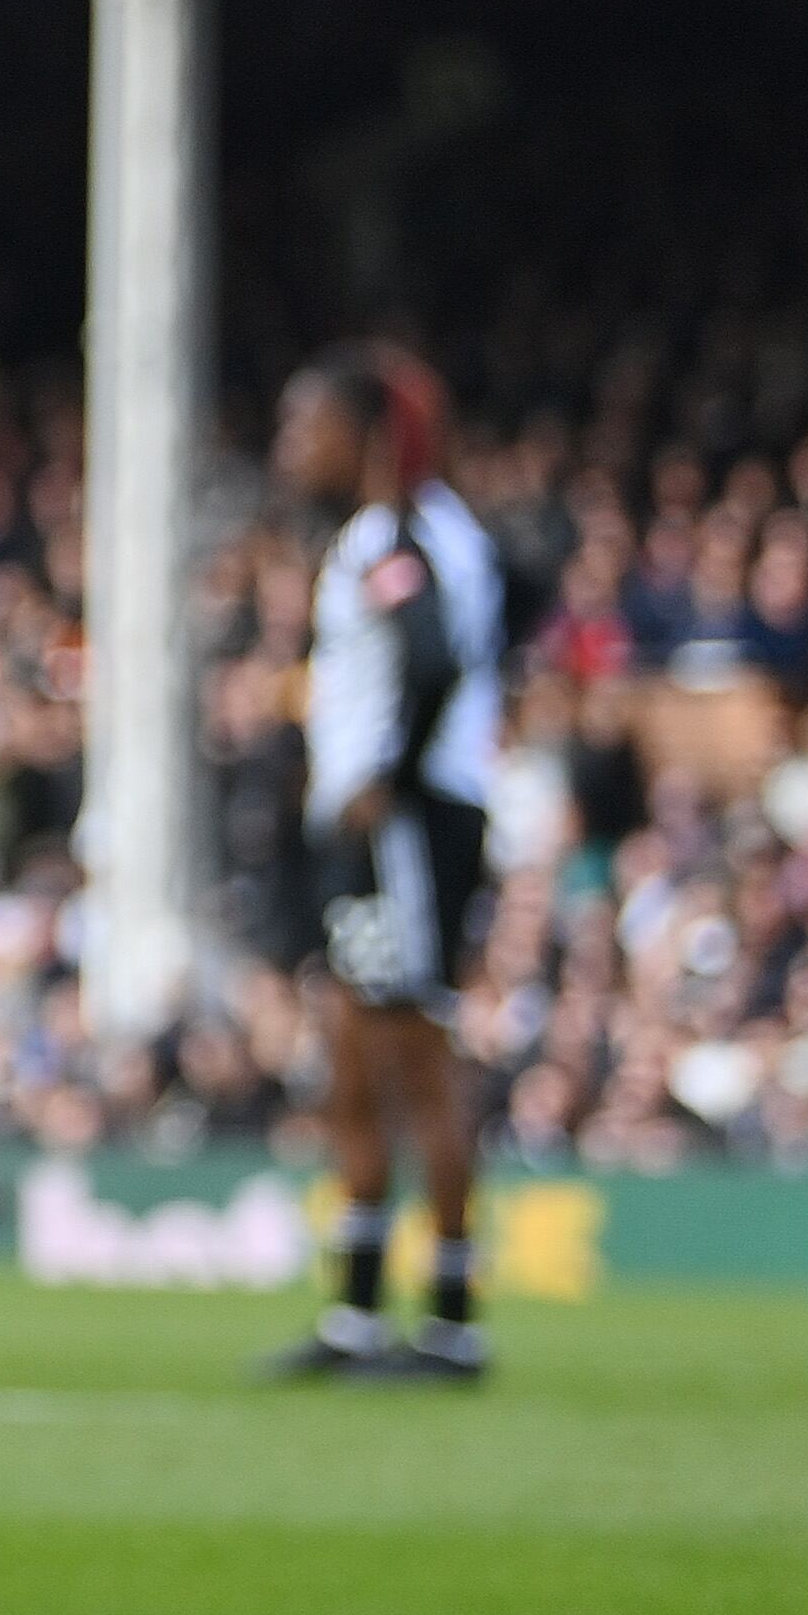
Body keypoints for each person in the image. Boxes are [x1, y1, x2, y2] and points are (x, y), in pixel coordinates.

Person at [262, 344, 506, 1384]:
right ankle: (358, 1315)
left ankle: (451, 1323)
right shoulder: (411, 531)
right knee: (356, 1061)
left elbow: (438, 654)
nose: (290, 446)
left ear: (360, 435)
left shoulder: (399, 535)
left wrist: (387, 776)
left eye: (304, 424)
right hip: (384, 822)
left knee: (415, 1060)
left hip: (407, 822)